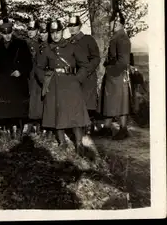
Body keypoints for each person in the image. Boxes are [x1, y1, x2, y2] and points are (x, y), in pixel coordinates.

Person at [35, 19, 91, 156]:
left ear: (62, 31)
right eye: (52, 32)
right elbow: (38, 68)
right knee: (57, 112)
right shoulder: (45, 49)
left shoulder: (72, 46)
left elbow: (84, 65)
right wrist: (45, 82)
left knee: (75, 113)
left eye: (58, 32)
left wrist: (78, 79)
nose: (55, 35)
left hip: (71, 83)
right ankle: (62, 143)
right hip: (54, 84)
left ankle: (78, 144)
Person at [0, 18, 32, 139]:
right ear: (1, 33)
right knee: (4, 109)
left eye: (9, 33)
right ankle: (7, 131)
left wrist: (21, 71)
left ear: (12, 32)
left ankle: (19, 129)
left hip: (17, 82)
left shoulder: (21, 44)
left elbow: (28, 62)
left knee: (18, 108)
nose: (7, 36)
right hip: (2, 82)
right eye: (4, 33)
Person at [99, 10, 132, 140]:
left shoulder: (122, 38)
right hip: (113, 73)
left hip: (117, 74)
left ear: (117, 23)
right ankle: (107, 128)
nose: (110, 25)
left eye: (111, 23)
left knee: (121, 101)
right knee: (109, 100)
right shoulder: (117, 36)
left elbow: (124, 61)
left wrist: (112, 71)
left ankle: (123, 129)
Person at [68, 15, 101, 134]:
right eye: (70, 25)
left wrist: (88, 70)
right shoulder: (68, 42)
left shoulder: (88, 39)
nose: (72, 28)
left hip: (87, 75)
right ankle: (77, 127)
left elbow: (96, 58)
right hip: (73, 76)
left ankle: (88, 126)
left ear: (80, 26)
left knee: (87, 102)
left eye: (74, 25)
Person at [24, 19, 42, 136]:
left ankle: (39, 123)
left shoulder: (41, 42)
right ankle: (29, 123)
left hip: (38, 73)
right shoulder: (23, 43)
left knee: (38, 97)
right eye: (29, 29)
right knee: (28, 97)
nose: (31, 32)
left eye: (33, 30)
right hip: (27, 73)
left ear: (37, 30)